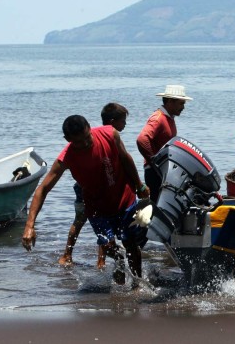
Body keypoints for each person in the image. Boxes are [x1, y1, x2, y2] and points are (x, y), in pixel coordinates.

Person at [22, 115, 150, 285]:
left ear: (90, 128)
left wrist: (139, 185)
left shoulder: (110, 134)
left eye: (87, 137)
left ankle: (137, 284)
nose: (85, 144)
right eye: (79, 142)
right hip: (97, 208)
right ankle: (118, 259)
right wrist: (29, 226)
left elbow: (126, 158)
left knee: (131, 243)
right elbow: (43, 189)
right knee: (108, 245)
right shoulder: (66, 158)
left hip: (123, 199)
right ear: (68, 140)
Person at [58, 103, 129, 269]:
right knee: (85, 220)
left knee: (100, 226)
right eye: (123, 121)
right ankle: (70, 255)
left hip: (97, 190)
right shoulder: (106, 135)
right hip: (88, 190)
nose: (125, 124)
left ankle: (99, 260)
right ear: (113, 121)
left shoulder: (105, 136)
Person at [137, 84, 192, 202]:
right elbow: (142, 139)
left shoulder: (168, 118)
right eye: (181, 103)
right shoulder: (158, 118)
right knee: (159, 206)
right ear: (170, 102)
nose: (183, 107)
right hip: (154, 173)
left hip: (163, 171)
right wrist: (155, 162)